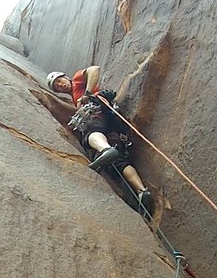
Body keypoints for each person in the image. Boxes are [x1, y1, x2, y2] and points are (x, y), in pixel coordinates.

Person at [47, 66, 152, 212]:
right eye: (57, 87)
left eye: (59, 81)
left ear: (65, 76)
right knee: (119, 161)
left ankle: (105, 149)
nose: (60, 85)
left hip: (98, 113)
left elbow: (94, 70)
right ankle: (142, 191)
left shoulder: (78, 81)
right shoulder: (74, 97)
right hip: (113, 123)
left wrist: (87, 94)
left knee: (90, 132)